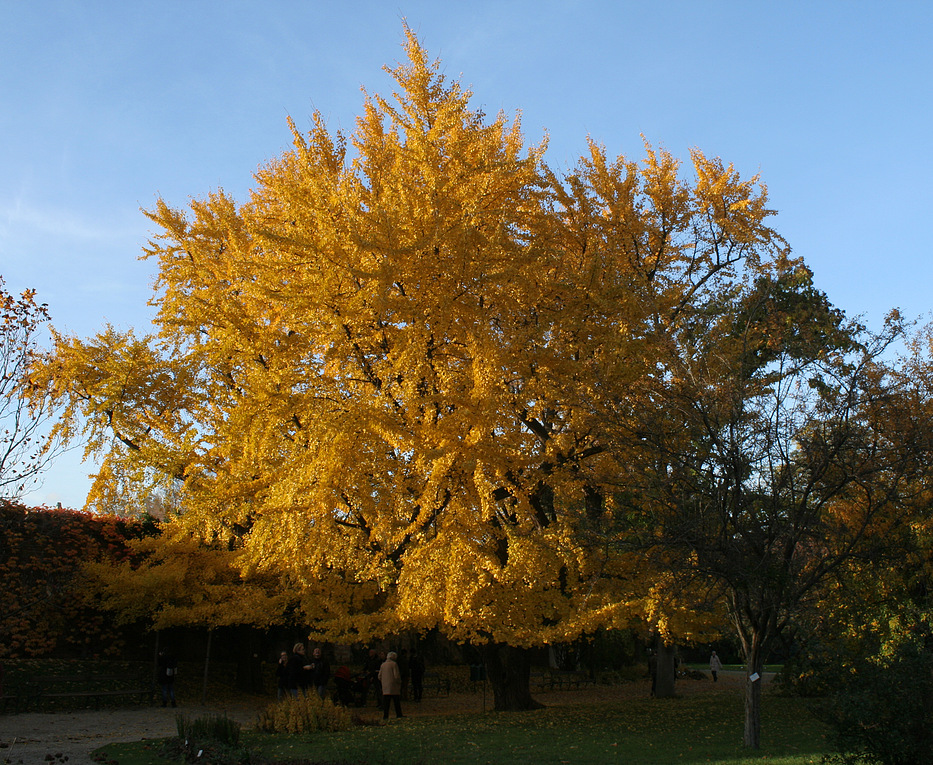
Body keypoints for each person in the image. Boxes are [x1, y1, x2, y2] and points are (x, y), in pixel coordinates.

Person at [378, 651, 404, 720]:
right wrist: (399, 682)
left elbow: (379, 676)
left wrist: (383, 681)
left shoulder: (383, 665)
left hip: (385, 686)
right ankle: (399, 714)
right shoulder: (394, 664)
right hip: (393, 685)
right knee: (396, 701)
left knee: (386, 702)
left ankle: (385, 715)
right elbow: (396, 676)